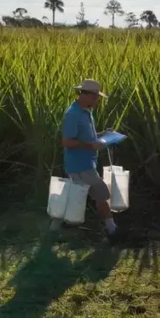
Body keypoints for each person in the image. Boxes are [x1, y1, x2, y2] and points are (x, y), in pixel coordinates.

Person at [51, 79, 120, 237]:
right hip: (80, 165)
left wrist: (104, 134)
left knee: (73, 196)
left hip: (86, 163)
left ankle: (54, 228)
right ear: (86, 95)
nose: (97, 101)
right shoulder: (73, 114)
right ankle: (112, 229)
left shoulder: (86, 112)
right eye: (96, 97)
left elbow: (88, 137)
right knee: (101, 194)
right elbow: (67, 142)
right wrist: (91, 146)